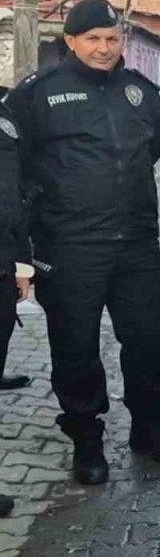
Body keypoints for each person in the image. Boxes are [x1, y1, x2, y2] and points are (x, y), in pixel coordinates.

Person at [6, 0, 160, 486]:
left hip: (137, 244)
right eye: (93, 39)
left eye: (112, 38)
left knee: (147, 339)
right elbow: (13, 166)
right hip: (68, 247)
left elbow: (153, 146)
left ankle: (149, 427)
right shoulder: (38, 94)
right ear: (70, 41)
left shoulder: (140, 90)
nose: (105, 48)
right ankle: (86, 438)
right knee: (76, 346)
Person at [0, 99, 31, 393]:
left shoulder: (5, 115)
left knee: (3, 322)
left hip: (6, 253)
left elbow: (18, 197)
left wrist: (22, 265)